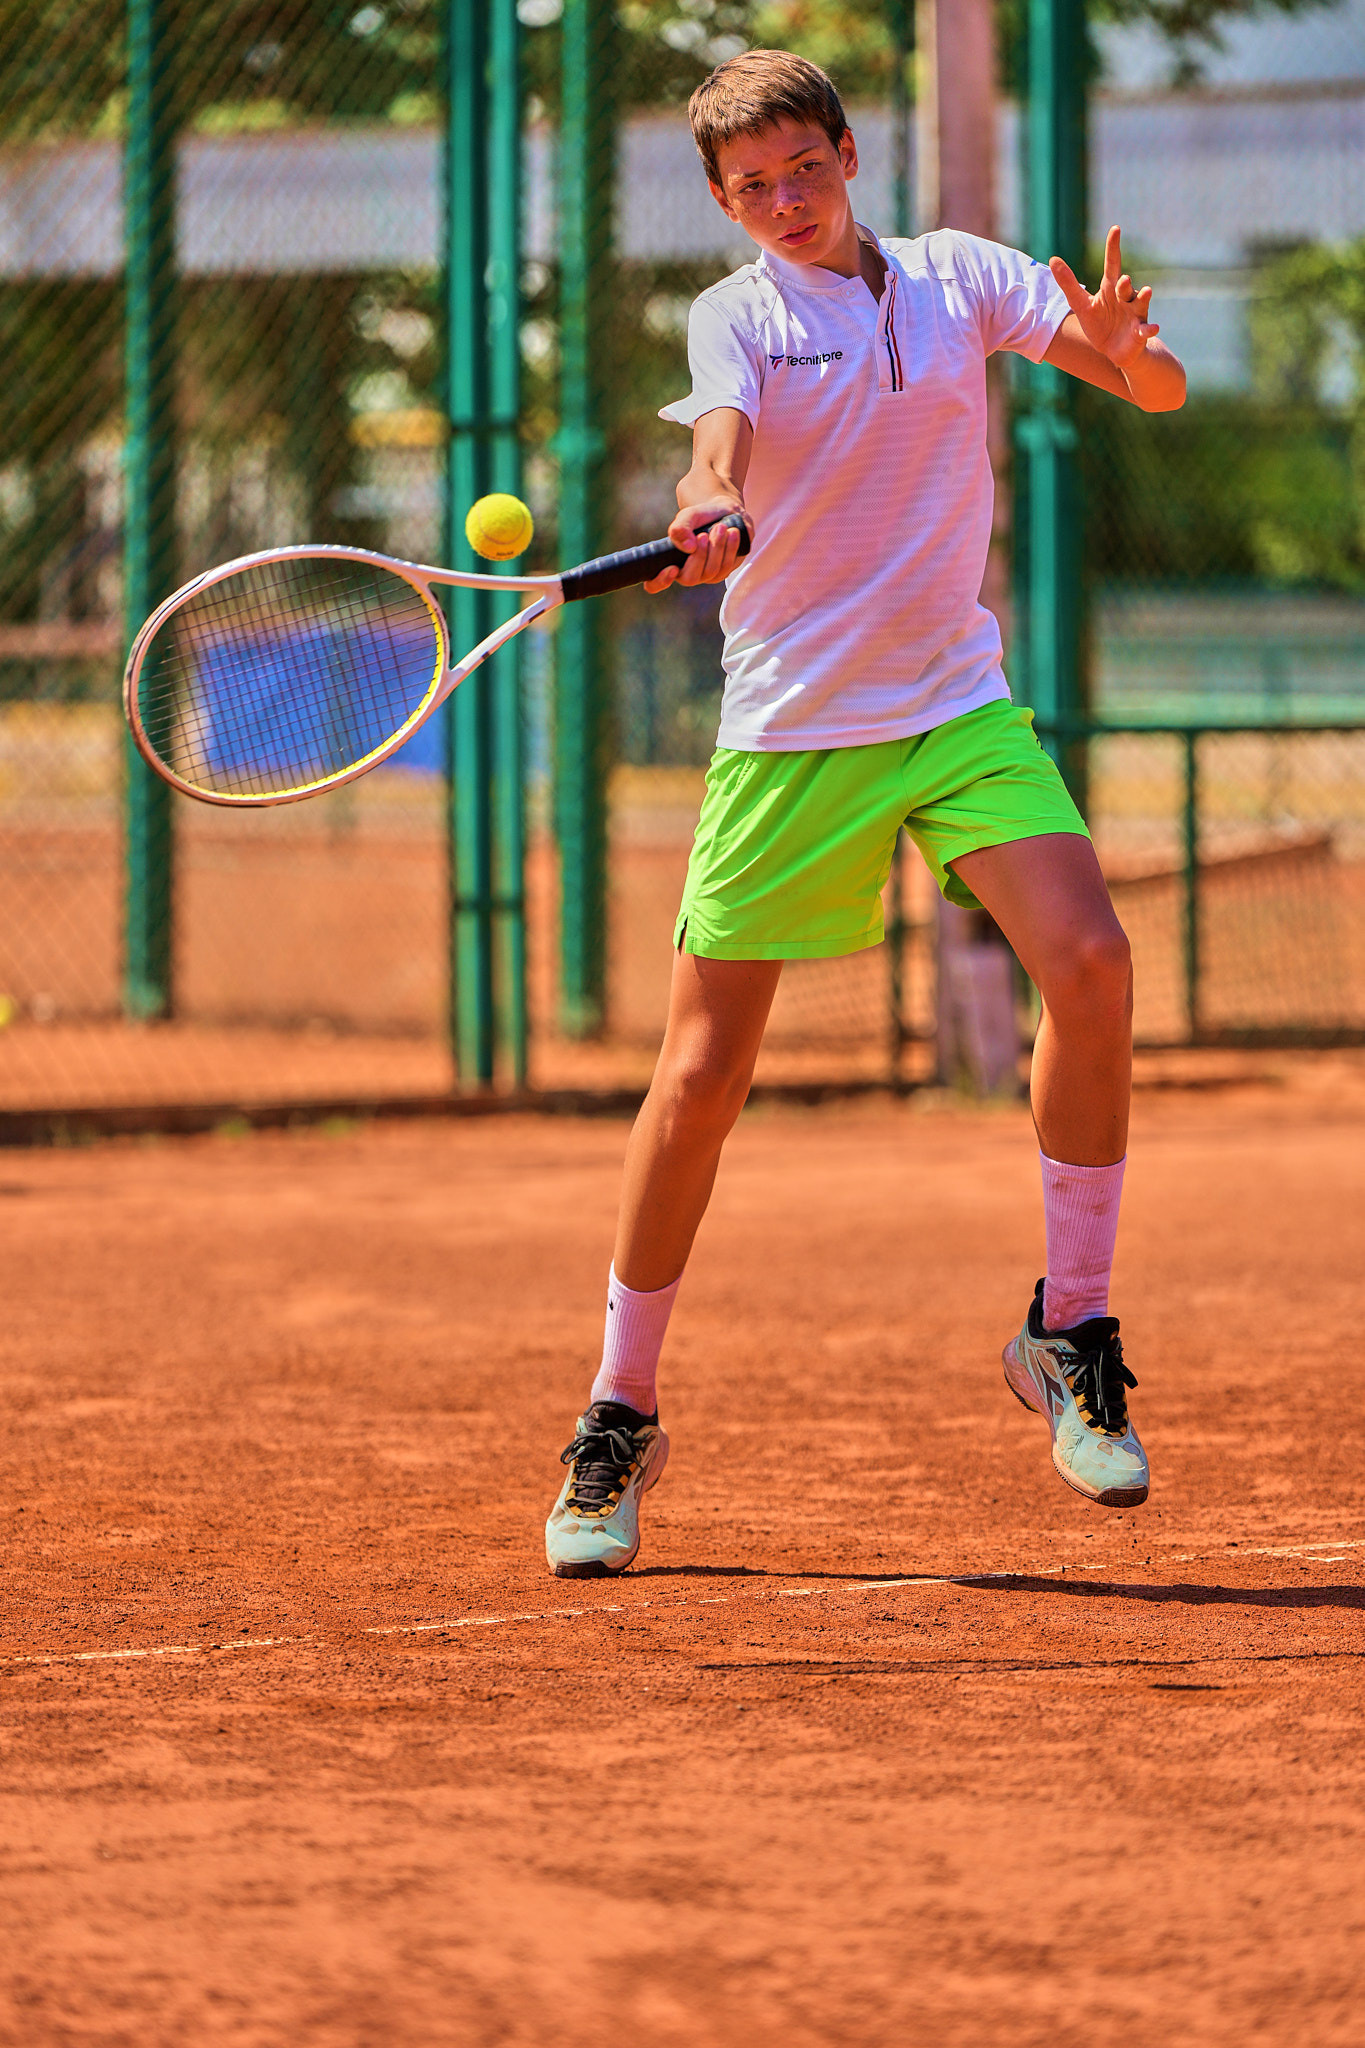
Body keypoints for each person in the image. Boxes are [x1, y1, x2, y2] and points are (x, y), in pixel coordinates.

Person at [546, 48, 1186, 1578]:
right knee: (702, 1074)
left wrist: (1126, 355)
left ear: (845, 153)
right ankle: (619, 1410)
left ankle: (1069, 1331)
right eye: (752, 187)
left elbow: (1146, 388)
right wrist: (710, 505)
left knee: (1091, 965)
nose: (786, 201)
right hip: (794, 728)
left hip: (954, 706)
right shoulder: (735, 315)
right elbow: (716, 447)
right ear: (724, 203)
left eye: (803, 169)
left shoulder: (959, 277)